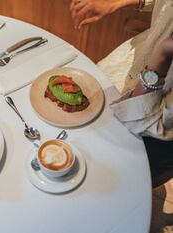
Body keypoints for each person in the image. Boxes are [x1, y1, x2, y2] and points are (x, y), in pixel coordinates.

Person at [70, 0, 173, 186]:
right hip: (139, 65)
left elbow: (142, 120)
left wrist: (163, 55)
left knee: (114, 181)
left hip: (154, 132)